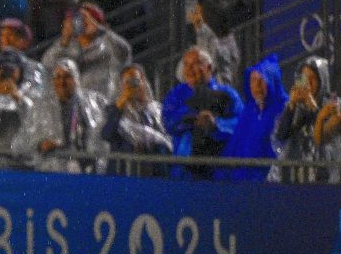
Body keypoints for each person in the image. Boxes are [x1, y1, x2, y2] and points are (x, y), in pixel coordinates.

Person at [162, 46, 243, 179]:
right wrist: (193, 118)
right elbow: (168, 122)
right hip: (185, 170)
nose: (189, 69)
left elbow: (240, 124)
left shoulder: (227, 94)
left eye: (195, 64)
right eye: (186, 65)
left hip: (219, 169)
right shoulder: (176, 95)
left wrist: (216, 124)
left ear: (209, 67)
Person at [19, 57, 106, 172]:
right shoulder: (41, 107)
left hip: (84, 171)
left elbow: (99, 139)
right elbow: (22, 142)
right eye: (58, 77)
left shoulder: (91, 103)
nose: (62, 82)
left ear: (76, 79)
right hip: (50, 172)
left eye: (67, 77)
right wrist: (40, 145)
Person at [41, 3, 132, 100]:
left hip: (106, 102)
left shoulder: (107, 43)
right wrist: (64, 42)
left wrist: (102, 29)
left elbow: (124, 53)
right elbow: (46, 66)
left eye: (87, 18)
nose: (83, 22)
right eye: (79, 19)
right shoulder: (65, 46)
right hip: (78, 106)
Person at [218, 53, 286, 181]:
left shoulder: (282, 111)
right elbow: (233, 148)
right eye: (253, 80)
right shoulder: (248, 111)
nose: (257, 86)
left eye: (262, 81)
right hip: (238, 184)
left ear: (272, 82)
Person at [100, 63, 172, 175]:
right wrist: (120, 105)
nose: (133, 86)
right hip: (122, 171)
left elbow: (165, 139)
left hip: (153, 171)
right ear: (121, 85)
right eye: (128, 83)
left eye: (136, 81)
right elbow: (106, 134)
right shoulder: (112, 109)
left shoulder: (156, 110)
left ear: (143, 82)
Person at [273, 55, 331, 182]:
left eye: (313, 78)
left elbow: (328, 136)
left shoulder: (333, 105)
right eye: (305, 78)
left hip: (324, 178)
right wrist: (291, 106)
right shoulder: (294, 108)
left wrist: (313, 107)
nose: (308, 83)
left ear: (322, 80)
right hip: (296, 177)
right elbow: (281, 136)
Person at [185, 0, 240, 88]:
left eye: (196, 13)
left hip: (220, 87)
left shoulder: (216, 38)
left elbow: (220, 65)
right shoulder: (203, 33)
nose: (193, 16)